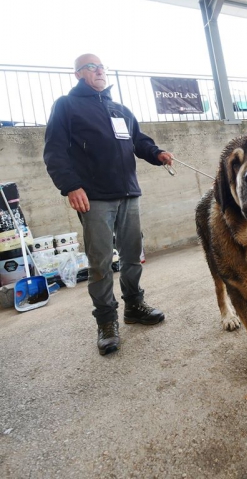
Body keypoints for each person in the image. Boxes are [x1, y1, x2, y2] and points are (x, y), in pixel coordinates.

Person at [43, 53, 174, 356]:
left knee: (132, 255)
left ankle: (134, 306)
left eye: (102, 66)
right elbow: (54, 151)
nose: (100, 70)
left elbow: (138, 142)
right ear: (78, 74)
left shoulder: (120, 108)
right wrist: (71, 186)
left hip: (128, 192)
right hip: (94, 197)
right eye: (92, 67)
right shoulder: (67, 105)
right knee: (100, 263)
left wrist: (157, 153)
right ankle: (106, 322)